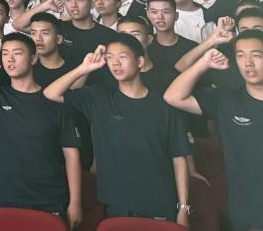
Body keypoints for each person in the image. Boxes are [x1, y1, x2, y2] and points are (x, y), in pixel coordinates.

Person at [44, 37, 191, 224]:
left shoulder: (164, 106)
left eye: (122, 56)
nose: (115, 63)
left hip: (159, 203)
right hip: (116, 206)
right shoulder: (98, 98)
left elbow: (179, 158)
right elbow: (51, 93)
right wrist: (84, 68)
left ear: (139, 62)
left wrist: (184, 208)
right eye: (110, 57)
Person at [0, 34, 82, 226]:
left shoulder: (54, 100)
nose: (9, 59)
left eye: (17, 53)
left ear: (33, 58)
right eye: (5, 54)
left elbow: (71, 154)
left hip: (48, 198)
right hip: (7, 197)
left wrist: (75, 202)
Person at [164, 29, 263, 231]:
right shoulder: (227, 100)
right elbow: (173, 97)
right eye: (241, 56)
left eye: (257, 55)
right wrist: (203, 63)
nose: (249, 63)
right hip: (246, 209)